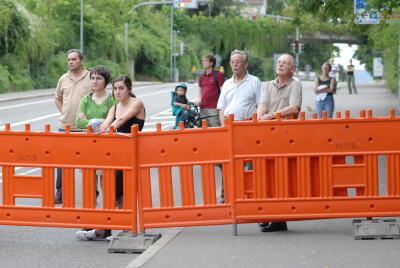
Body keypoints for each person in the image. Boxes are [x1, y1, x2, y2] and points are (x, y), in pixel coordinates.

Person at [75, 75, 145, 241]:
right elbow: (106, 123)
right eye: (115, 89)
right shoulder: (114, 107)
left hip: (131, 155)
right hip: (114, 156)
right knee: (115, 193)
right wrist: (101, 129)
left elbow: (121, 120)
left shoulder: (137, 103)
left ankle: (109, 229)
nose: (118, 92)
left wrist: (109, 129)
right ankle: (114, 228)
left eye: (121, 88)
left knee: (117, 193)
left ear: (129, 89)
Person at [257, 53, 302, 232]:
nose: (281, 65)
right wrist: (260, 117)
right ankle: (268, 214)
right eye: (279, 62)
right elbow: (263, 105)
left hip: (286, 135)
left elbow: (294, 107)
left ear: (293, 69)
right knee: (266, 175)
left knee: (282, 177)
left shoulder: (295, 84)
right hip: (267, 134)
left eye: (285, 63)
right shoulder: (268, 85)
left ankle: (279, 218)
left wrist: (271, 116)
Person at [54, 49, 92, 204]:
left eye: (74, 59)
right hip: (65, 126)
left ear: (81, 61)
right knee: (62, 161)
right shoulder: (63, 79)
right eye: (69, 59)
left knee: (88, 161)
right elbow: (58, 98)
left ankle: (90, 192)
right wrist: (63, 111)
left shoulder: (91, 77)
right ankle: (61, 192)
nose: (71, 62)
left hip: (85, 127)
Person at [217, 50, 262, 125]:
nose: (235, 64)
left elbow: (261, 104)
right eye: (233, 62)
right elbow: (221, 108)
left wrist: (255, 123)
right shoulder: (226, 83)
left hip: (247, 124)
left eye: (238, 62)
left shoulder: (254, 81)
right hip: (228, 123)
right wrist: (223, 126)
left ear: (245, 64)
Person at [197, 54, 225, 127]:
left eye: (205, 61)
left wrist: (222, 106)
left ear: (211, 63)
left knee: (215, 127)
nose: (203, 62)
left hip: (214, 108)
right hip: (203, 108)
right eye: (202, 61)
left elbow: (223, 92)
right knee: (204, 129)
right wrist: (199, 100)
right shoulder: (201, 76)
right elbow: (200, 90)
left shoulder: (218, 75)